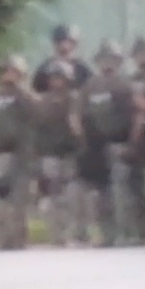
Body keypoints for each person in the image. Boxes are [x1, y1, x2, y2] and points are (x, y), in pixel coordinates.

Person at [77, 39, 134, 247]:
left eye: (111, 59)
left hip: (120, 142)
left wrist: (133, 142)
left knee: (122, 191)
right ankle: (107, 234)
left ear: (118, 62)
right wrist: (84, 142)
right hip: (96, 146)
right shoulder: (90, 86)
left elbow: (136, 115)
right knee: (101, 194)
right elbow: (80, 115)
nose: (107, 64)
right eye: (103, 60)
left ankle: (126, 234)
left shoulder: (125, 85)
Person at [0, 56, 36, 250]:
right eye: (3, 71)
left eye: (11, 71)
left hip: (18, 153)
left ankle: (17, 242)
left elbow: (35, 121)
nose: (6, 74)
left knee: (17, 201)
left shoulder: (25, 96)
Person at [33, 62, 85, 246]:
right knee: (53, 194)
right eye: (53, 77)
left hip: (69, 152)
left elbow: (76, 123)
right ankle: (57, 235)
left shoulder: (74, 97)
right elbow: (36, 127)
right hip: (49, 153)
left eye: (60, 77)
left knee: (72, 194)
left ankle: (73, 232)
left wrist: (81, 143)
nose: (56, 81)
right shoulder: (42, 100)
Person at [116, 36, 145, 245]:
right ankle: (140, 232)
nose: (142, 58)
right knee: (135, 189)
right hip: (135, 139)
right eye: (138, 54)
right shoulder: (130, 81)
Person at [35, 24, 93, 92]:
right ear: (55, 44)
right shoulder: (44, 69)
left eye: (70, 43)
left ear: (75, 45)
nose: (64, 46)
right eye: (60, 41)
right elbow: (36, 92)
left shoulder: (83, 69)